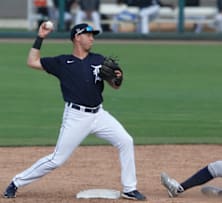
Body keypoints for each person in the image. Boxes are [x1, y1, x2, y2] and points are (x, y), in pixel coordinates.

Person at [3, 23, 146, 201]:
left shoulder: (99, 59)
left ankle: (129, 188)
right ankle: (16, 182)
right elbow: (32, 61)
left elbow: (115, 86)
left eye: (93, 35)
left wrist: (118, 78)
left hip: (99, 115)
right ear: (77, 37)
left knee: (126, 141)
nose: (92, 38)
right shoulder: (62, 62)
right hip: (76, 117)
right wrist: (40, 37)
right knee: (57, 159)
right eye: (88, 35)